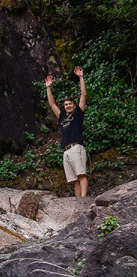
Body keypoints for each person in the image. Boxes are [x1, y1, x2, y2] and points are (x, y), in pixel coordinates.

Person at [46, 65, 88, 197]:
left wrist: (81, 77)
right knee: (73, 179)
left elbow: (83, 94)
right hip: (66, 150)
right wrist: (48, 87)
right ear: (64, 107)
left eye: (70, 104)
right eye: (66, 105)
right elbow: (52, 104)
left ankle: (83, 200)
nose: (68, 106)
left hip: (76, 147)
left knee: (81, 174)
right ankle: (77, 202)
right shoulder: (62, 117)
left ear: (74, 105)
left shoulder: (78, 114)